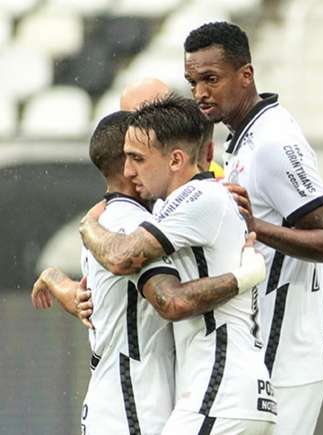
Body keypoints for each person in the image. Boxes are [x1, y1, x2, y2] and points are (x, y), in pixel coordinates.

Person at [32, 110, 267, 434]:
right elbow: (169, 300)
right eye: (134, 157)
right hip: (135, 401)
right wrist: (248, 276)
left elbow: (86, 298)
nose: (135, 166)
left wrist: (56, 278)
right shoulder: (128, 227)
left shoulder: (108, 223)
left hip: (118, 396)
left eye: (140, 157)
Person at [183, 21, 323, 435]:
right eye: (193, 82)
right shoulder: (242, 137)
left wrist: (254, 226)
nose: (200, 93)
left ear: (246, 75)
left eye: (211, 79)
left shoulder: (274, 141)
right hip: (263, 349)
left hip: (286, 356)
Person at [120, 77, 225, 178]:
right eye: (134, 120)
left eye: (154, 116)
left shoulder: (215, 179)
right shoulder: (126, 176)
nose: (144, 125)